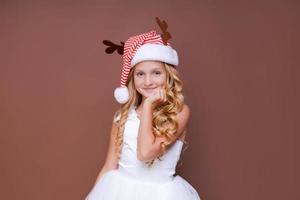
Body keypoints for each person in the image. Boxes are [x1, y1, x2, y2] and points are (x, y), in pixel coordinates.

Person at [85, 30, 201, 200]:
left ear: (169, 75)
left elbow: (145, 153)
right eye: (140, 74)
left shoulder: (179, 112)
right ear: (132, 79)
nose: (148, 82)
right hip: (119, 193)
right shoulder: (122, 116)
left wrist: (148, 106)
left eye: (156, 73)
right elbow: (109, 166)